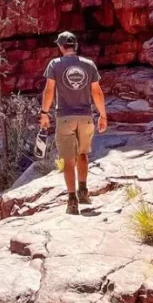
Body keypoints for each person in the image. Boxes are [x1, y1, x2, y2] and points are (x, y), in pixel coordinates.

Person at [40, 31, 107, 215]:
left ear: (61, 47)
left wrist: (44, 113)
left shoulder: (55, 64)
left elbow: (49, 91)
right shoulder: (89, 64)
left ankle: (72, 201)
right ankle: (84, 192)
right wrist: (103, 115)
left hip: (65, 118)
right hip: (86, 117)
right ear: (75, 46)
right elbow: (97, 92)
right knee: (83, 154)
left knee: (68, 160)